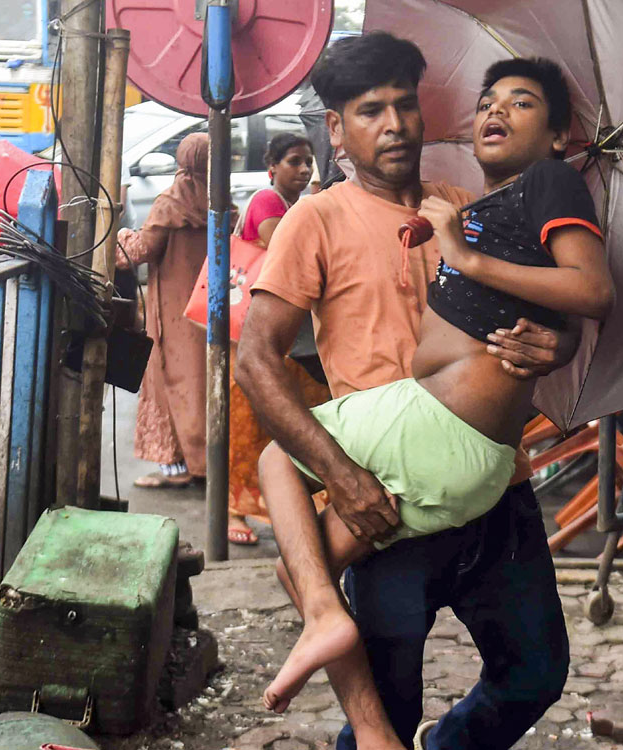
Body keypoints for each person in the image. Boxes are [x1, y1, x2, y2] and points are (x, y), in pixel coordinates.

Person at [236, 33, 578, 750]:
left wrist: (561, 344)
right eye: (369, 111)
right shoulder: (315, 219)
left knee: (535, 673)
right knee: (383, 711)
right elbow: (256, 360)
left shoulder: (468, 209)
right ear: (336, 128)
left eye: (403, 106)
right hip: (383, 500)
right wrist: (340, 476)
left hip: (493, 484)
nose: (393, 125)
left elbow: (555, 310)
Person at [227, 132, 327, 546]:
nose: (303, 170)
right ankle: (236, 508)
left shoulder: (289, 205)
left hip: (285, 337)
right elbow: (287, 250)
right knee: (253, 421)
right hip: (267, 333)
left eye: (307, 162)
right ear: (272, 167)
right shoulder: (268, 202)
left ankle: (289, 502)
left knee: (286, 416)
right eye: (294, 162)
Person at [116, 133, 213, 488]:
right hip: (208, 304)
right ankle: (207, 460)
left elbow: (139, 252)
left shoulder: (170, 202)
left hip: (173, 308)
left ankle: (178, 465)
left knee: (171, 379)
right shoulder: (219, 198)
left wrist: (122, 235)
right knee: (203, 380)